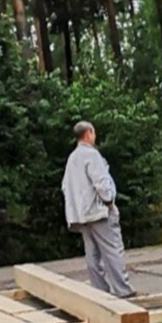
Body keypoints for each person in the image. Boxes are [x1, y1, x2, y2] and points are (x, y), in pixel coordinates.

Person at [62, 120, 135, 297]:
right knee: (112, 249)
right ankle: (122, 290)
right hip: (98, 211)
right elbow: (101, 181)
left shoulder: (72, 158)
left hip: (81, 214)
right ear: (89, 133)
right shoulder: (92, 155)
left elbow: (66, 186)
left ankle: (100, 292)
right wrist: (109, 201)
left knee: (92, 254)